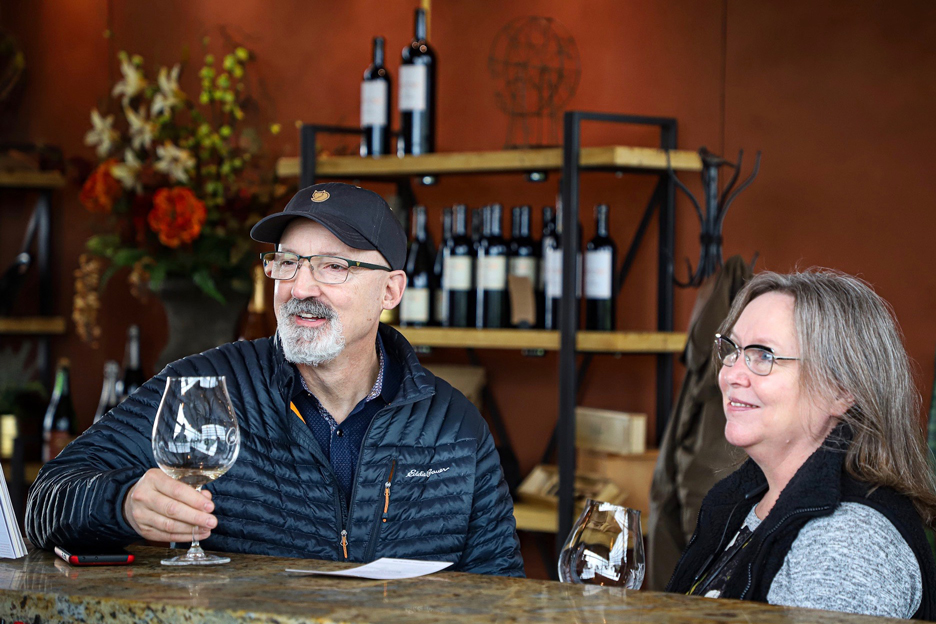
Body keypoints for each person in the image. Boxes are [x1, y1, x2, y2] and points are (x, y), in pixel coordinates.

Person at [26, 182, 525, 577]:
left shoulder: (454, 426)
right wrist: (124, 504)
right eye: (287, 263)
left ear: (390, 290)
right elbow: (45, 498)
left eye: (334, 266)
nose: (300, 287)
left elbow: (500, 589)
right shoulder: (205, 386)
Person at [666, 269, 936, 619]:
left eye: (763, 355)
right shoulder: (743, 500)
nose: (731, 374)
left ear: (840, 390)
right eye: (732, 349)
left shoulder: (847, 541)